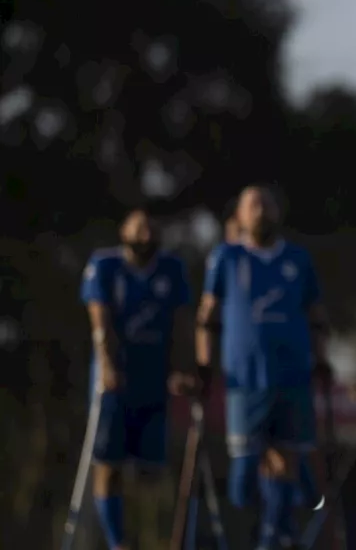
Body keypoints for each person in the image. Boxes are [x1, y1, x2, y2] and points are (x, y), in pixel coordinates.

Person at [196, 185, 329, 550]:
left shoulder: (298, 260)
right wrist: (203, 365)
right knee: (242, 480)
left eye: (267, 204)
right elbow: (206, 316)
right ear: (238, 216)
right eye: (252, 205)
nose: (261, 210)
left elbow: (315, 314)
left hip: (291, 376)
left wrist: (321, 358)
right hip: (245, 380)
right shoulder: (226, 257)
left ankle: (274, 540)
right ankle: (261, 533)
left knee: (286, 459)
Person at [80, 208, 193, 550]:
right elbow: (99, 320)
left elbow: (180, 325)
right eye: (138, 226)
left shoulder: (172, 269)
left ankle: (157, 537)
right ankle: (118, 543)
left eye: (151, 227)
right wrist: (107, 364)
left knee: (151, 470)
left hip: (153, 382)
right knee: (108, 464)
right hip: (115, 382)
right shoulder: (104, 265)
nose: (145, 233)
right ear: (123, 230)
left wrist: (180, 370)